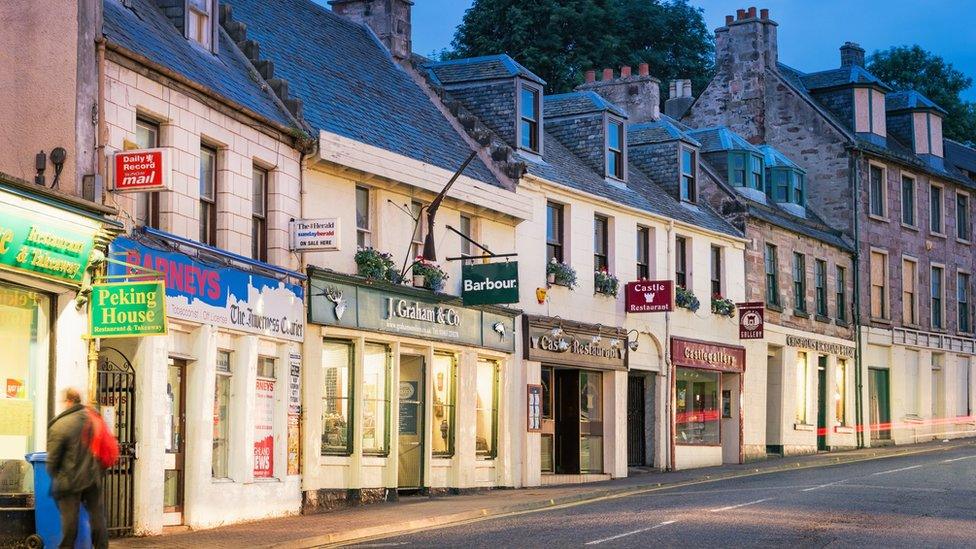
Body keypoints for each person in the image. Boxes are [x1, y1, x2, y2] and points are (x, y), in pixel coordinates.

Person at [47, 388, 108, 549]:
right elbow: (104, 446)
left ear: (68, 401)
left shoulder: (61, 425)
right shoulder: (94, 418)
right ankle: (102, 546)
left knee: (70, 523)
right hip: (93, 478)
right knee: (97, 518)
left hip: (69, 480)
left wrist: (56, 476)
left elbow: (52, 461)